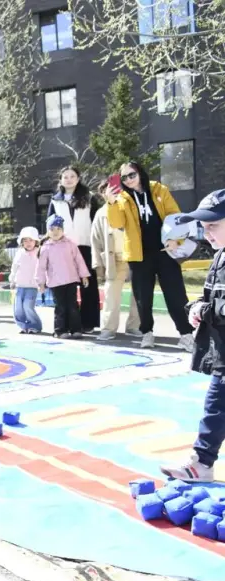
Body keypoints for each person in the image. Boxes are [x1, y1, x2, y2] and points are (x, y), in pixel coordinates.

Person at [161, 190, 225, 482]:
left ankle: (202, 462)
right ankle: (202, 463)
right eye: (204, 226)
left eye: (213, 225)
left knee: (216, 407)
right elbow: (212, 297)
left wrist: (207, 310)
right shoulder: (220, 256)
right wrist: (197, 307)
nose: (206, 233)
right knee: (215, 408)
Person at [106, 161, 194, 351]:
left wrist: (176, 239)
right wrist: (111, 202)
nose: (129, 180)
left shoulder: (159, 189)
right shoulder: (121, 198)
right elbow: (116, 223)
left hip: (165, 252)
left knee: (176, 294)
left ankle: (186, 334)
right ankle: (147, 333)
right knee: (143, 298)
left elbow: (175, 215)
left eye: (132, 175)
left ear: (140, 173)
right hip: (139, 255)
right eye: (124, 177)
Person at [48, 167, 101, 332]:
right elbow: (50, 224)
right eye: (65, 177)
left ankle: (88, 322)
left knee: (88, 285)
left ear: (78, 178)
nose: (69, 179)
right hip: (63, 249)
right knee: (66, 287)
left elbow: (97, 221)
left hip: (85, 246)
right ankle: (70, 323)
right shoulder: (55, 201)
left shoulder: (89, 197)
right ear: (60, 180)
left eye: (72, 176)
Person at [91, 183, 142, 341]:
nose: (112, 192)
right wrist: (98, 264)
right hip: (115, 259)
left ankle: (134, 326)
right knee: (111, 295)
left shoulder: (132, 206)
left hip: (135, 256)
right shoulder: (101, 213)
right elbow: (95, 240)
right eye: (107, 190)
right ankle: (108, 328)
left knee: (139, 293)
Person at [38, 215, 90, 339]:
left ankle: (76, 329)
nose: (55, 232)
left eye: (58, 229)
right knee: (60, 307)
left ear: (63, 230)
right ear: (48, 231)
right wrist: (41, 283)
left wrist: (84, 275)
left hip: (71, 280)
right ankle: (60, 331)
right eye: (52, 229)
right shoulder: (45, 248)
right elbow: (41, 267)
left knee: (73, 306)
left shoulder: (70, 244)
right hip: (56, 283)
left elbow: (79, 261)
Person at [9, 227, 43, 334]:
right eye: (25, 240)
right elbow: (14, 267)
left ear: (36, 241)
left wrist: (42, 282)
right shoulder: (19, 253)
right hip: (20, 285)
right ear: (21, 242)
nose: (28, 243)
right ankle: (23, 326)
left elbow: (43, 268)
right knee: (18, 308)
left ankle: (35, 326)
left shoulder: (39, 253)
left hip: (32, 286)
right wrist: (12, 280)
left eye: (31, 240)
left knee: (28, 306)